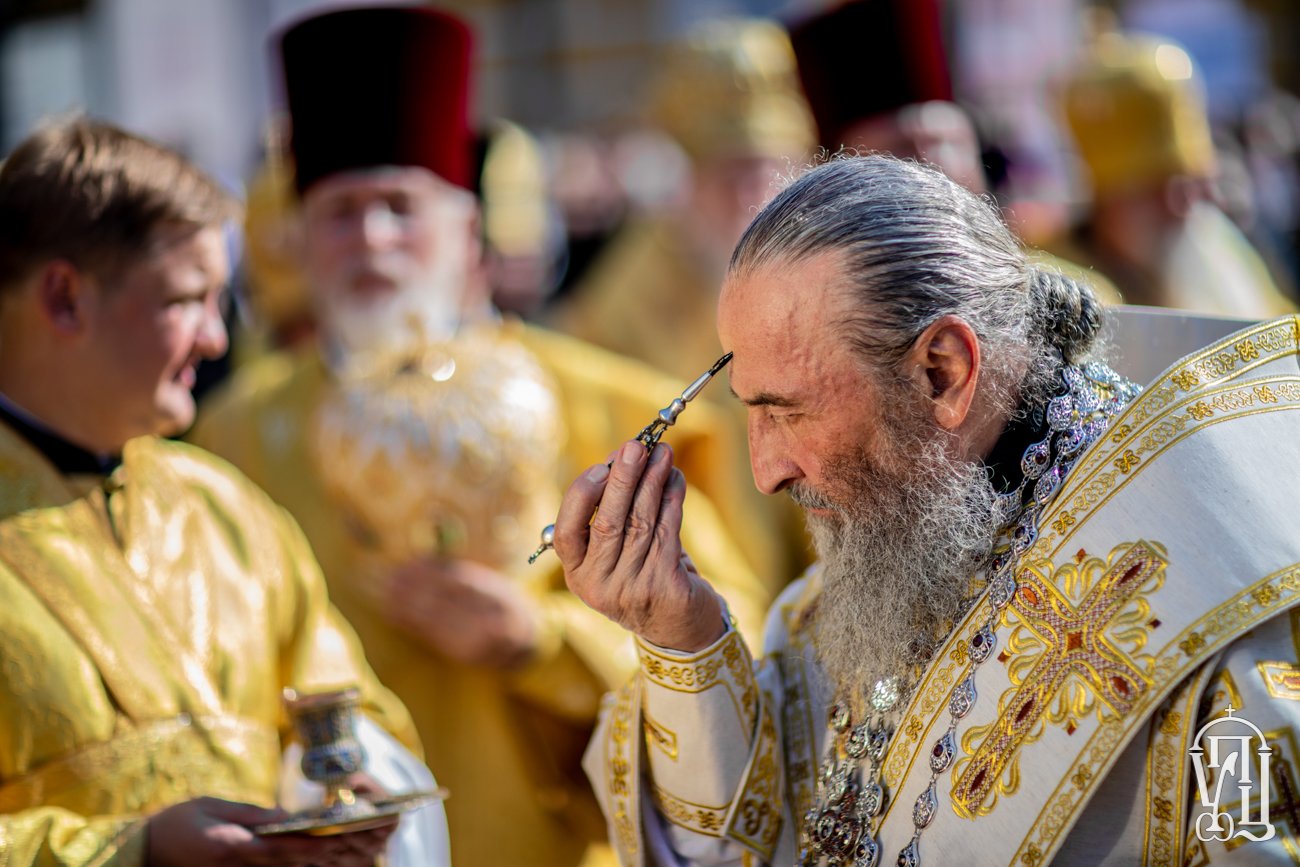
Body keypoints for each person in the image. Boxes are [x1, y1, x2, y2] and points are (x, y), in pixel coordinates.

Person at [558, 155, 1300, 865]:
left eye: (787, 412)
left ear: (943, 372)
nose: (764, 472)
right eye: (750, 409)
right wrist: (683, 640)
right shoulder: (866, 580)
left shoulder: (1210, 588)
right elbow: (751, 843)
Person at [190, 7, 770, 866]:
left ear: (468, 232)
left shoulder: (617, 408)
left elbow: (734, 637)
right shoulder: (233, 436)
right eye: (341, 212)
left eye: (400, 207)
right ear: (301, 243)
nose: (372, 238)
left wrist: (541, 643)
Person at [0, 117, 441, 865]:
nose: (216, 338)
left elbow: (350, 720)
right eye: (185, 300)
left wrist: (349, 798)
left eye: (219, 300)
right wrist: (134, 851)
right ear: (66, 298)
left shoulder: (227, 510)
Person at [547, 17, 817, 593]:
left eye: (768, 170)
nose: (751, 196)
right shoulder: (627, 292)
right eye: (730, 173)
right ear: (690, 179)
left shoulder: (825, 262)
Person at [1055, 26, 1295, 318]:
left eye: (1191, 183)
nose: (1180, 206)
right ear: (1102, 198)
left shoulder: (1217, 247)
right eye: (1155, 188)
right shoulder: (1067, 295)